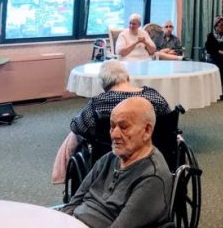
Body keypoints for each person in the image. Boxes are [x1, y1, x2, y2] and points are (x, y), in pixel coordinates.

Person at [60, 97, 173, 228]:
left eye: (124, 127)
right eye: (112, 126)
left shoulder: (152, 177)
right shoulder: (109, 158)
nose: (115, 134)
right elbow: (74, 202)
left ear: (147, 130)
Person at [70, 60, 171, 139]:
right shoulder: (153, 96)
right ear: (127, 78)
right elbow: (169, 122)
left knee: (72, 137)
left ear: (103, 85)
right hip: (150, 151)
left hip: (110, 155)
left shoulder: (98, 104)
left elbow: (76, 127)